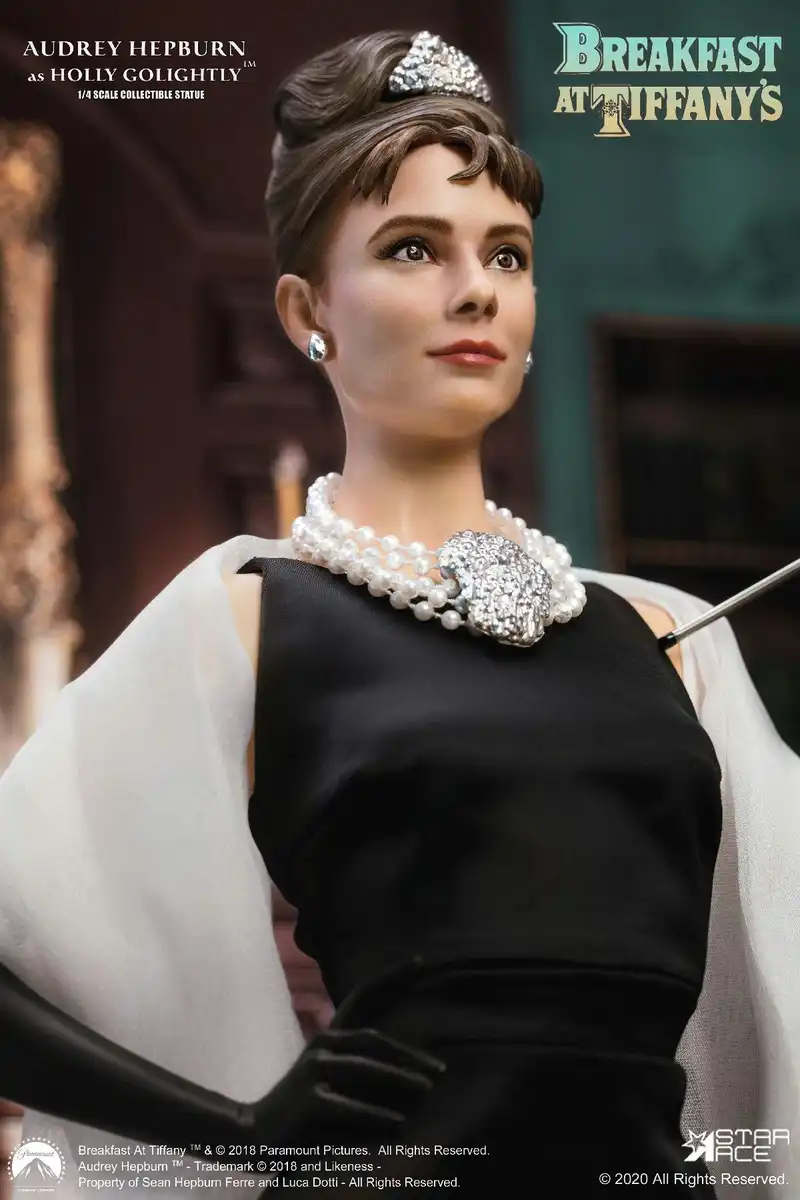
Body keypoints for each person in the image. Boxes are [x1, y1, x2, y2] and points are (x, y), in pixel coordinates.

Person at [0, 29, 798, 1200]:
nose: (476, 288)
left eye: (507, 255)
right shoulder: (248, 612)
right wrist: (236, 1129)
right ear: (303, 310)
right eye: (413, 248)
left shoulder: (670, 634)